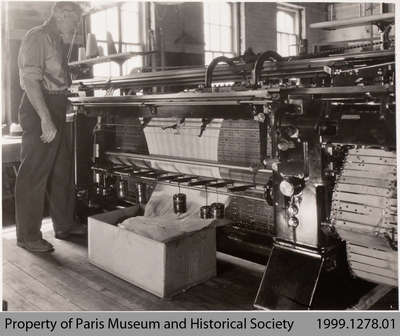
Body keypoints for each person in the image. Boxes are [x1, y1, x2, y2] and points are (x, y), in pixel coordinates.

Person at [15, 2, 85, 252]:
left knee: (62, 169)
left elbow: (56, 79)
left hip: (55, 106)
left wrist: (60, 109)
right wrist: (45, 118)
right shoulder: (37, 36)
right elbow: (29, 81)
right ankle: (28, 236)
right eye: (74, 19)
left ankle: (64, 224)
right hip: (38, 107)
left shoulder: (57, 40)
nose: (76, 25)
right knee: (34, 172)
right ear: (60, 14)